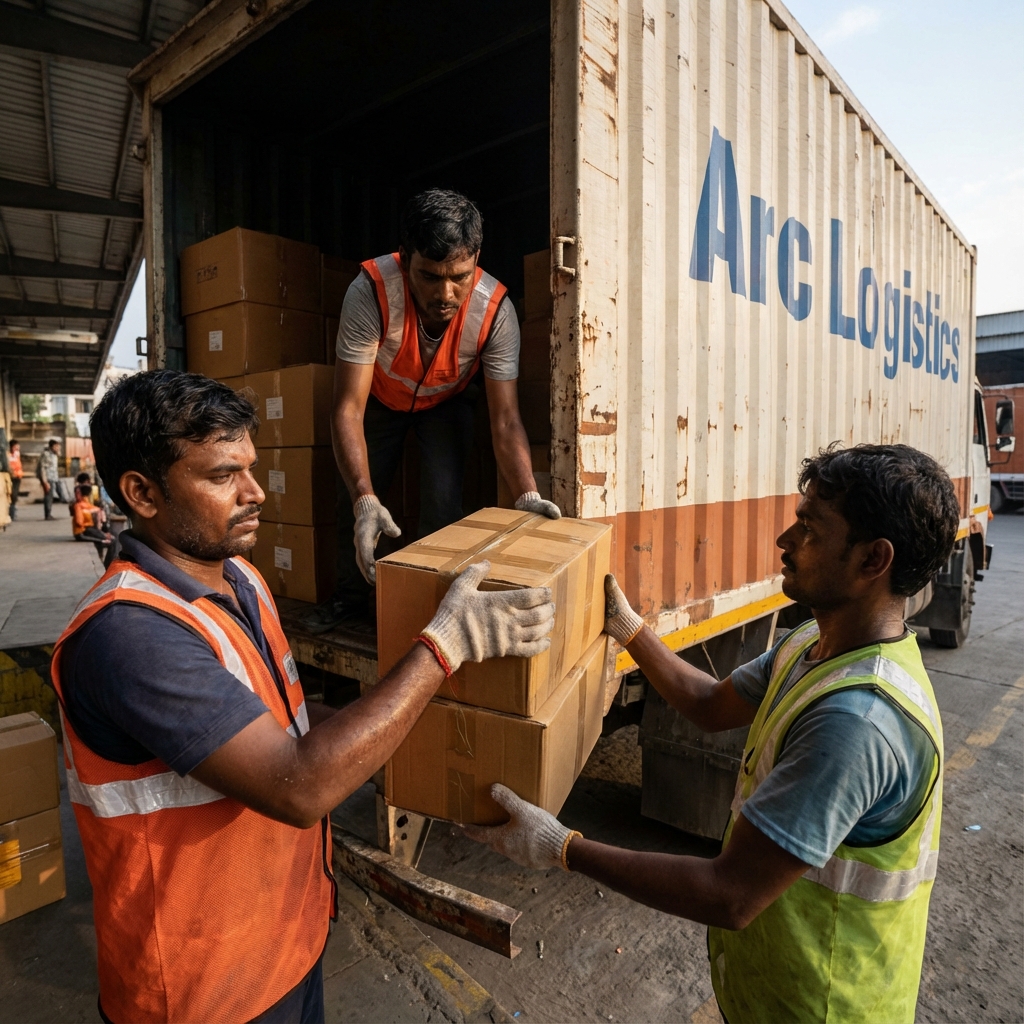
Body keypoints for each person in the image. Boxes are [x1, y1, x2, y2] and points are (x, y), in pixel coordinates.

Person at [49, 370, 554, 1024]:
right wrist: (445, 646)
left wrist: (426, 760)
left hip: (285, 943)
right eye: (222, 476)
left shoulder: (240, 580)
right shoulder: (128, 635)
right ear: (142, 493)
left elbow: (283, 718)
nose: (256, 493)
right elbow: (297, 784)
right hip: (204, 991)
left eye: (252, 468)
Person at [466, 443, 960, 1024]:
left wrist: (564, 849)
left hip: (824, 1006)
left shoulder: (857, 723)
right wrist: (628, 629)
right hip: (772, 991)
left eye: (810, 528)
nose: (785, 540)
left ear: (873, 560)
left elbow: (731, 894)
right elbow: (706, 702)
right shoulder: (811, 645)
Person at [302, 188, 559, 634]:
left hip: (447, 401)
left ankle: (426, 609)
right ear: (405, 258)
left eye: (459, 276)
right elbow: (346, 409)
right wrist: (366, 498)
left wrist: (526, 495)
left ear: (476, 257)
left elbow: (505, 419)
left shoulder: (496, 310)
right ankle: (349, 596)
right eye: (429, 276)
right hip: (380, 400)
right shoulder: (370, 291)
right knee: (356, 499)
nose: (446, 292)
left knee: (443, 505)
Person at [71, 484, 112, 557]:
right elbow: (79, 522)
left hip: (88, 530)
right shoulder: (80, 506)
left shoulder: (83, 505)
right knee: (108, 540)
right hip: (83, 531)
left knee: (109, 539)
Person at [37, 438, 60, 519]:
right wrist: (44, 481)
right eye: (56, 446)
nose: (58, 448)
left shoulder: (55, 455)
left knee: (51, 496)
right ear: (51, 446)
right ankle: (47, 515)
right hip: (48, 478)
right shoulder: (46, 455)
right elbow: (42, 468)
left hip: (54, 478)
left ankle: (49, 513)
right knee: (48, 496)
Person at [7, 439, 22, 520]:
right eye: (15, 446)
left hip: (17, 477)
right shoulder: (8, 455)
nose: (17, 448)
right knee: (11, 495)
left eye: (18, 446)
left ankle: (13, 513)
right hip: (10, 477)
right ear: (11, 447)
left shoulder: (17, 454)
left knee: (15, 495)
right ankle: (11, 513)